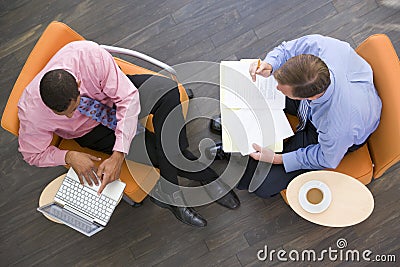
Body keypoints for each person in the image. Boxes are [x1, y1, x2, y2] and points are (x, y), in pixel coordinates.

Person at [18, 40, 240, 227]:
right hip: (92, 131)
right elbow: (32, 154)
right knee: (163, 149)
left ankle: (170, 191)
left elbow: (128, 98)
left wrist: (118, 154)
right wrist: (67, 156)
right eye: (62, 115)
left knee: (169, 93)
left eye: (73, 108)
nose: (69, 117)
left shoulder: (88, 56)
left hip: (115, 96)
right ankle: (206, 178)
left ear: (78, 84)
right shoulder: (31, 112)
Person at [235, 34, 382, 197]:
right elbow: (285, 49)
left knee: (262, 185)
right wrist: (270, 64)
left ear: (308, 98)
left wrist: (279, 159)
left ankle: (241, 161)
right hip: (325, 108)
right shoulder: (322, 47)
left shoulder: (338, 126)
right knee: (251, 94)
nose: (276, 87)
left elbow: (328, 159)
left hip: (333, 138)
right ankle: (233, 138)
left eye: (281, 88)